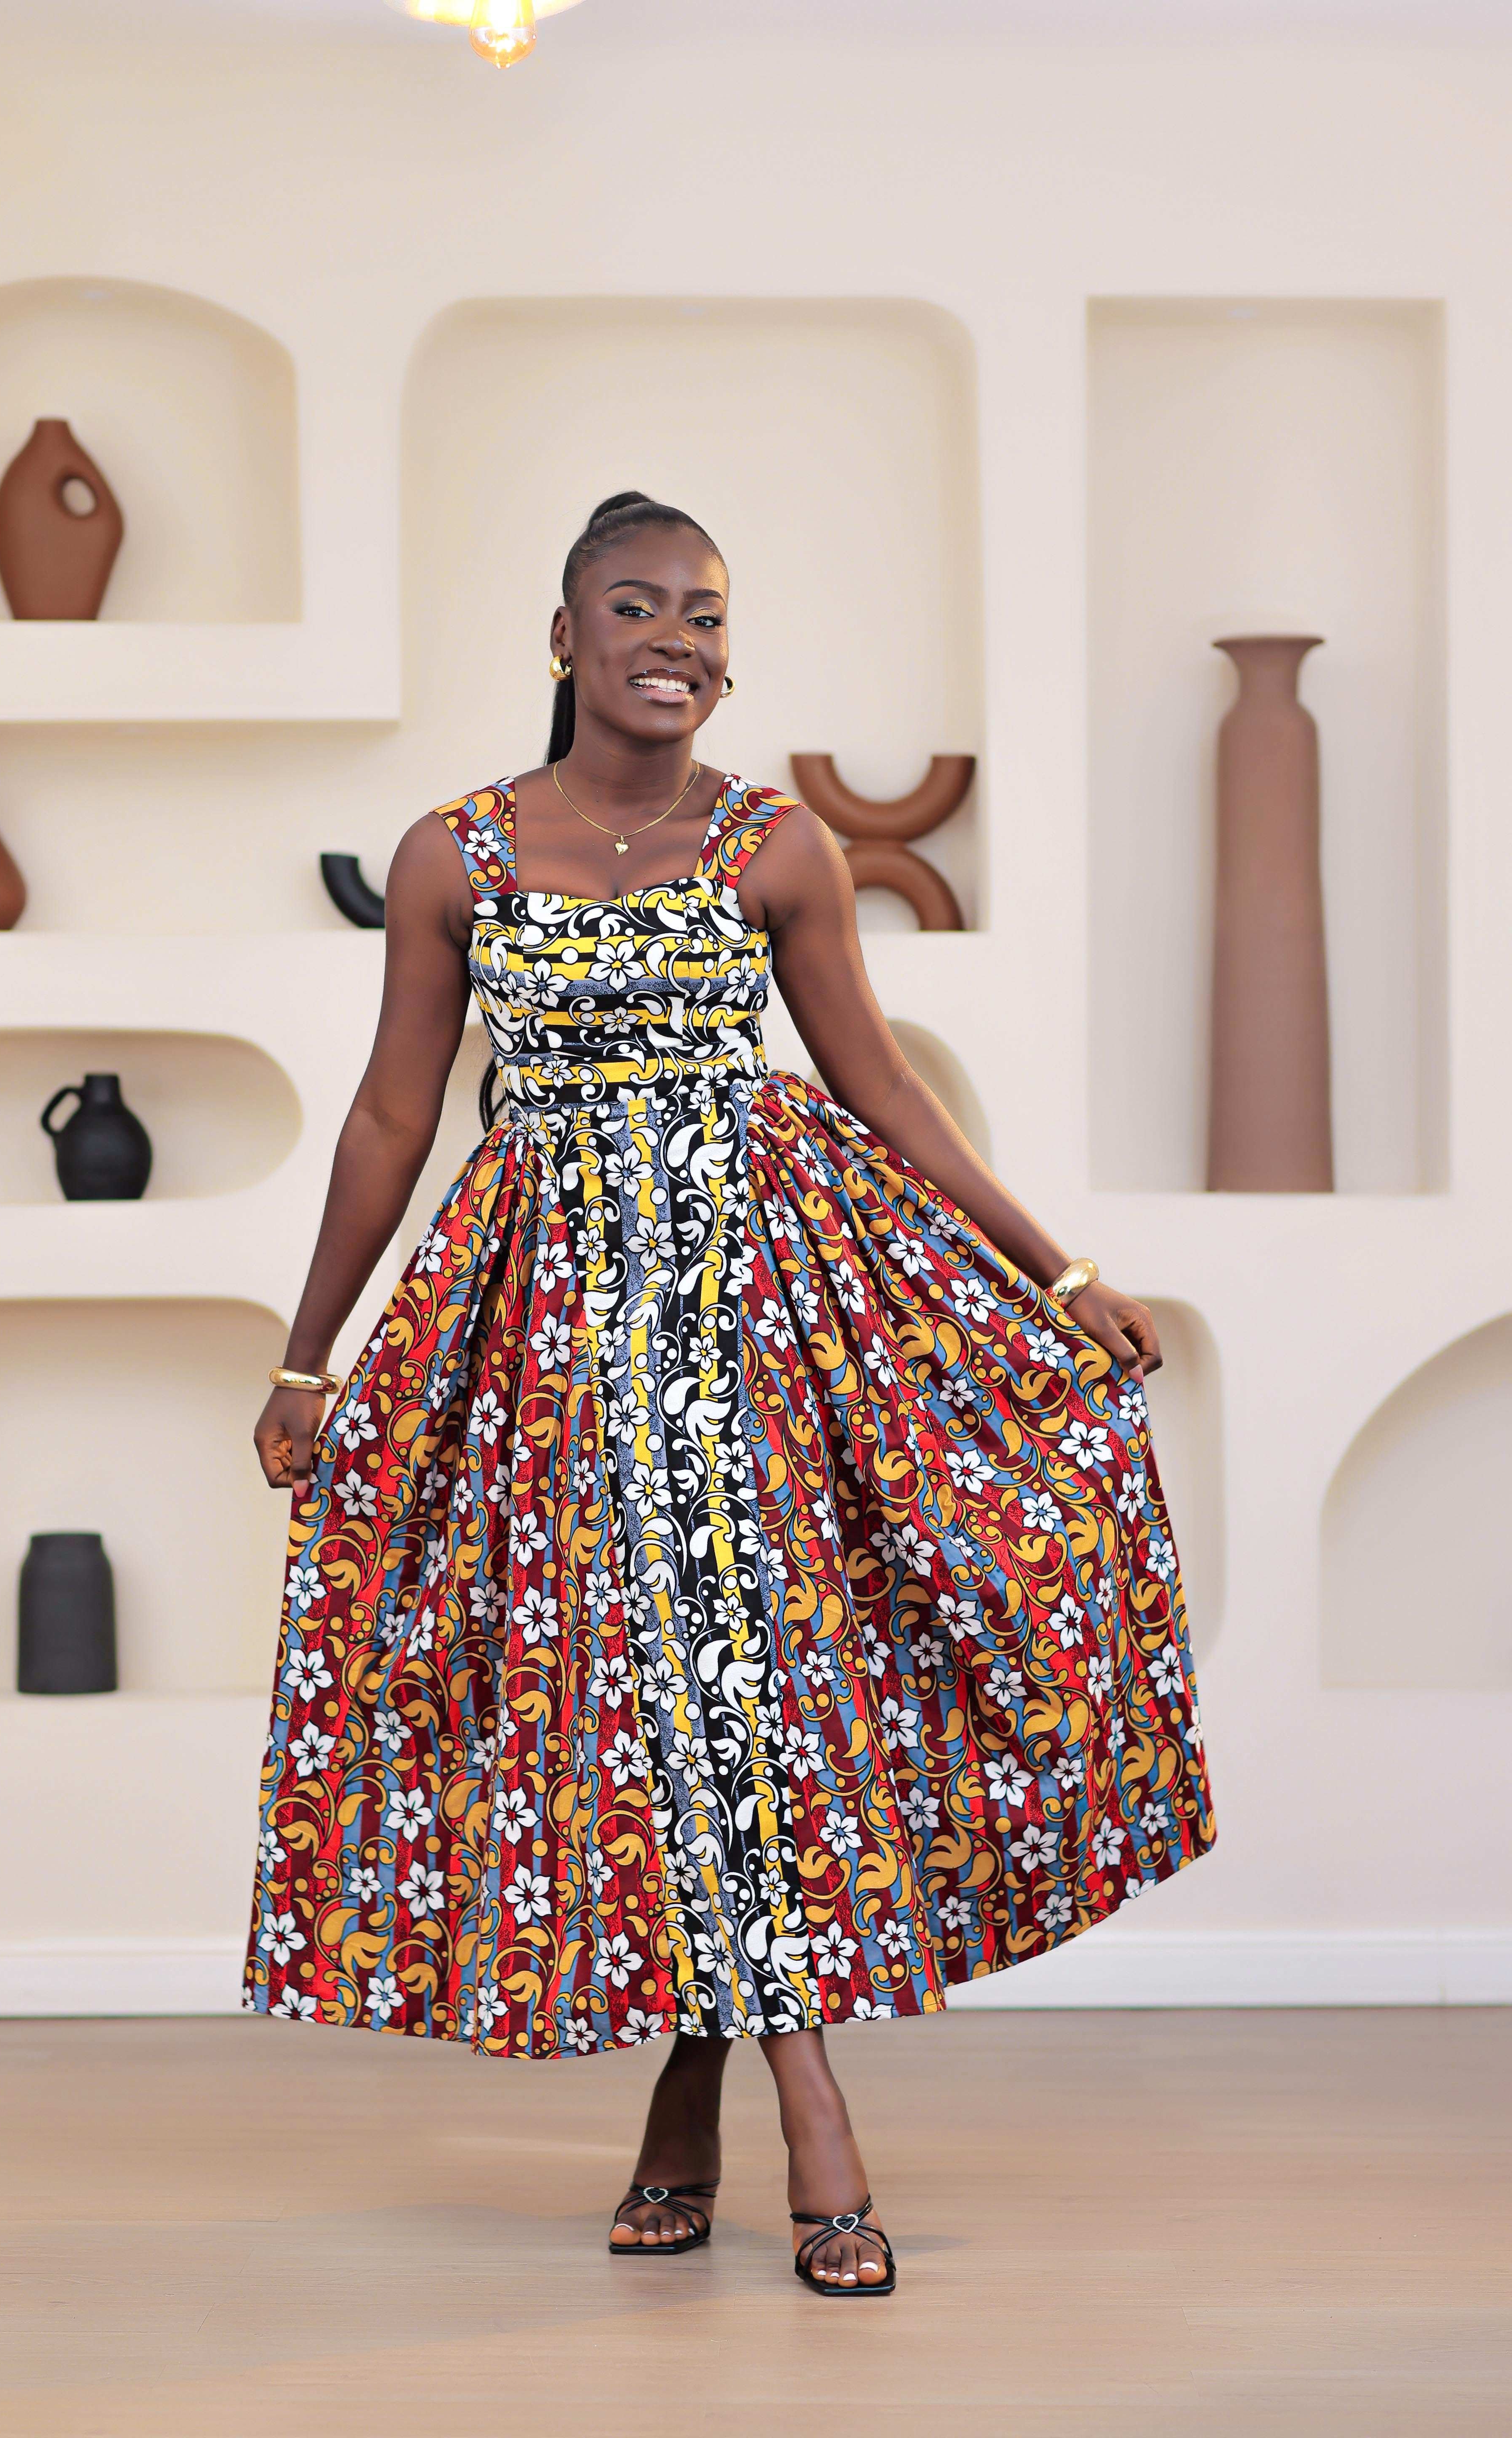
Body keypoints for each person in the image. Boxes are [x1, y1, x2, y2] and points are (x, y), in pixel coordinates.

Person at [246, 491, 1216, 2297]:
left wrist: (1055, 1271)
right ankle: (713, 2104)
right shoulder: (456, 854)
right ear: (564, 641)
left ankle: (783, 2109)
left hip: (759, 1324)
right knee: (653, 1702)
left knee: (738, 1681)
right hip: (546, 1348)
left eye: (703, 613)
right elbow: (390, 1114)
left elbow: (882, 1092)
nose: (675, 640)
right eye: (636, 608)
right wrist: (312, 1357)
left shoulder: (778, 846)